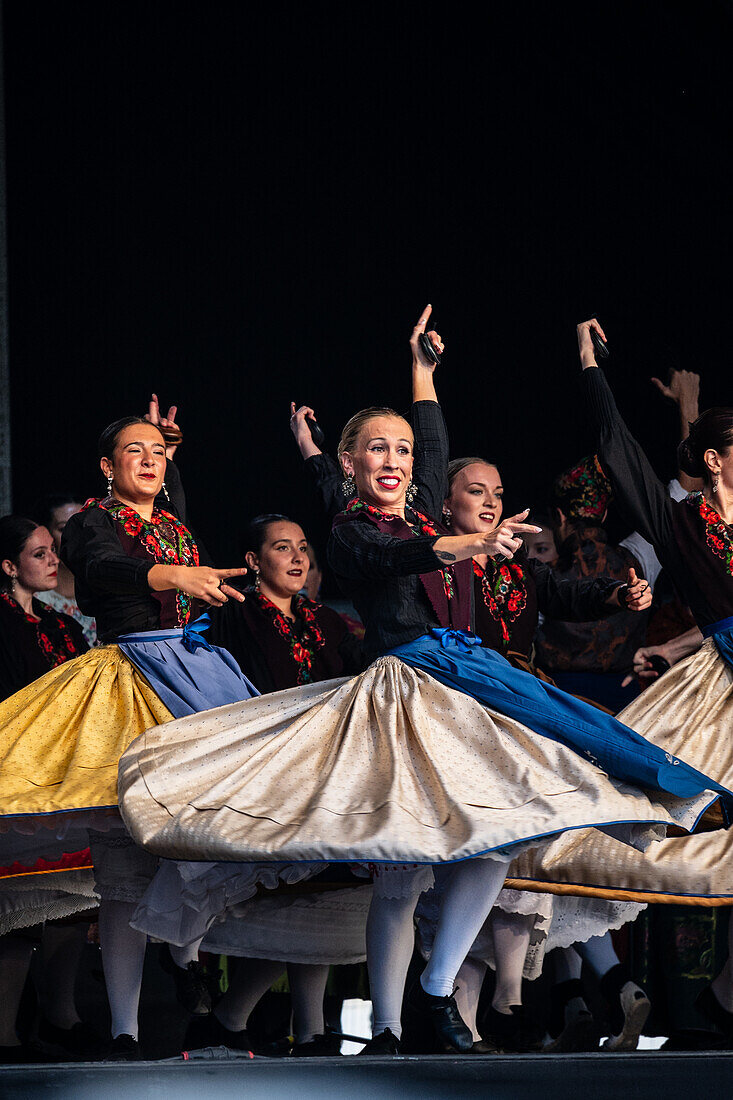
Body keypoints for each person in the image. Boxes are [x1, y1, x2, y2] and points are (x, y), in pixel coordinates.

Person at [118, 305, 730, 1059]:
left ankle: (438, 991)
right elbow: (394, 561)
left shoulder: (416, 501)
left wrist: (422, 371)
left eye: (402, 451)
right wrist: (469, 541)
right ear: (349, 464)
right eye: (376, 449)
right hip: (405, 680)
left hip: (454, 670)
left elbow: (433, 442)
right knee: (403, 874)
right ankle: (385, 1026)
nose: (395, 459)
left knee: (503, 832)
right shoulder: (350, 527)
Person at [0, 411, 260, 1059]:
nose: (148, 460)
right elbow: (103, 568)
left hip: (190, 675)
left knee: (215, 825)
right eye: (132, 451)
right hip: (129, 677)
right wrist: (174, 577)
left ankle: (187, 952)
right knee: (121, 869)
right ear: (106, 467)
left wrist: (177, 469)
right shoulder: (93, 520)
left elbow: (177, 529)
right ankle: (124, 1029)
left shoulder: (173, 524)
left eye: (157, 452)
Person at [507, 316, 733, 1047]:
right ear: (715, 459)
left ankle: (720, 1002)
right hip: (716, 690)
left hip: (710, 657)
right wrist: (587, 366)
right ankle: (646, 989)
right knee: (643, 815)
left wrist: (673, 644)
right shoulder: (682, 525)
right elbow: (619, 450)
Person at [0, 517, 92, 1062]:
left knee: (68, 900)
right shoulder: (2, 622)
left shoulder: (64, 625)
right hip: (16, 775)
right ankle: (6, 1032)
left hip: (67, 776)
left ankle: (62, 1014)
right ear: (9, 566)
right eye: (39, 554)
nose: (53, 560)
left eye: (53, 551)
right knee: (15, 901)